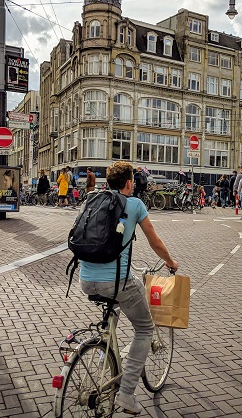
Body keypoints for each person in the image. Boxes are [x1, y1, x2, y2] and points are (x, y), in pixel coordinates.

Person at [78, 161, 179, 414]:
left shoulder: (92, 199)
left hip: (86, 279)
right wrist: (171, 261)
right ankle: (126, 394)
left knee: (116, 305)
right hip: (117, 282)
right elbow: (154, 241)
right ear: (129, 183)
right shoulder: (135, 204)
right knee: (144, 329)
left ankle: (106, 356)